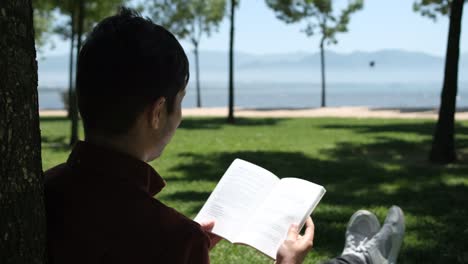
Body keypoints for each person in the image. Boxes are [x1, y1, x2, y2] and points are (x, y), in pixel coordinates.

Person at [43, 7, 404, 264]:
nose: (180, 118)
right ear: (156, 113)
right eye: (179, 102)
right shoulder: (170, 238)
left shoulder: (43, 191)